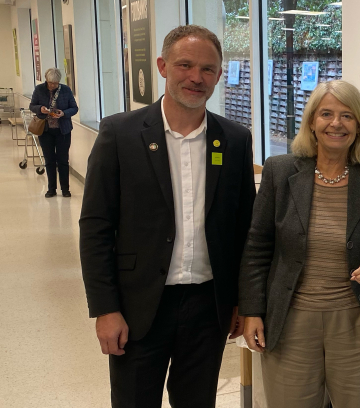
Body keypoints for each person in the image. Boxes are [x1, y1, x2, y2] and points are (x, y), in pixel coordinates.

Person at [79, 25, 256, 408]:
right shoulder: (119, 134)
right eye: (185, 65)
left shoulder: (236, 139)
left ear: (219, 75)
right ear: (162, 66)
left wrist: (241, 301)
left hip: (208, 307)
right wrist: (105, 308)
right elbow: (95, 227)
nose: (196, 77)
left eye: (208, 69)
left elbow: (245, 228)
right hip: (138, 305)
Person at [239, 80, 360, 408]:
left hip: (356, 321)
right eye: (326, 114)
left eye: (347, 115)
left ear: (359, 126)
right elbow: (257, 245)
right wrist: (251, 311)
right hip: (291, 320)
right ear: (311, 123)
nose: (336, 123)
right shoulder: (280, 171)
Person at [30, 68, 78, 197]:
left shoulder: (66, 90)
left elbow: (74, 108)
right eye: (51, 83)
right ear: (46, 80)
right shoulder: (39, 89)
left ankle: (65, 189)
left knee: (63, 160)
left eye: (55, 83)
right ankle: (51, 189)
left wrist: (63, 113)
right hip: (45, 130)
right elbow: (32, 105)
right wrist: (40, 109)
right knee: (49, 160)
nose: (53, 85)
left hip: (63, 130)